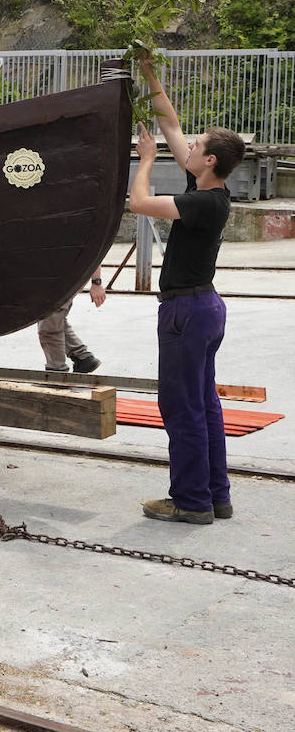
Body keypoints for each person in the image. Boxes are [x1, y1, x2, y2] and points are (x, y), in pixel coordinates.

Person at [131, 53, 245, 526]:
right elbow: (172, 123)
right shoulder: (209, 188)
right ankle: (215, 496)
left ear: (210, 160)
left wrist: (145, 160)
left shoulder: (201, 203)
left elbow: (138, 202)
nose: (189, 146)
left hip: (186, 311)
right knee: (204, 404)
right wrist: (149, 71)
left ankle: (190, 500)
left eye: (197, 146)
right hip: (204, 308)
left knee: (180, 408)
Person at [37, 266, 105, 373]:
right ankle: (82, 357)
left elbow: (97, 250)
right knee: (55, 318)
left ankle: (56, 372)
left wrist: (96, 282)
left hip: (68, 275)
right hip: (57, 273)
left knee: (49, 321)